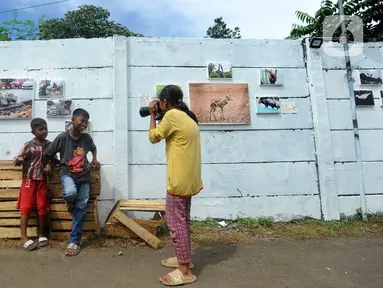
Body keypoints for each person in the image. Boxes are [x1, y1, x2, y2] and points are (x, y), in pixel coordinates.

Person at [148, 85, 203, 286]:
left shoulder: (171, 116)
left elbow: (153, 137)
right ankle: (184, 259)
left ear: (164, 103)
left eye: (159, 103)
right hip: (189, 178)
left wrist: (152, 115)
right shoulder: (187, 116)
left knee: (174, 221)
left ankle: (185, 271)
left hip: (178, 180)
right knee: (183, 220)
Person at [43, 108, 100, 256]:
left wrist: (94, 159)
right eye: (82, 121)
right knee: (70, 192)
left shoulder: (86, 139)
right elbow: (48, 153)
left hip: (85, 176)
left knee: (81, 208)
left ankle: (74, 241)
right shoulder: (63, 138)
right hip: (67, 174)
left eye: (86, 123)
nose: (84, 125)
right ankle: (70, 202)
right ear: (73, 119)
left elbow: (93, 148)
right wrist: (50, 163)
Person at [13, 118, 52, 251]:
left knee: (42, 206)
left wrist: (49, 165)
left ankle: (41, 234)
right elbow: (18, 157)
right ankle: (23, 237)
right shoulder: (29, 145)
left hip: (42, 180)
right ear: (33, 132)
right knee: (26, 207)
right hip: (29, 179)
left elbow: (53, 159)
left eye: (45, 128)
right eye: (40, 129)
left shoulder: (49, 145)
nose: (44, 131)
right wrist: (18, 160)